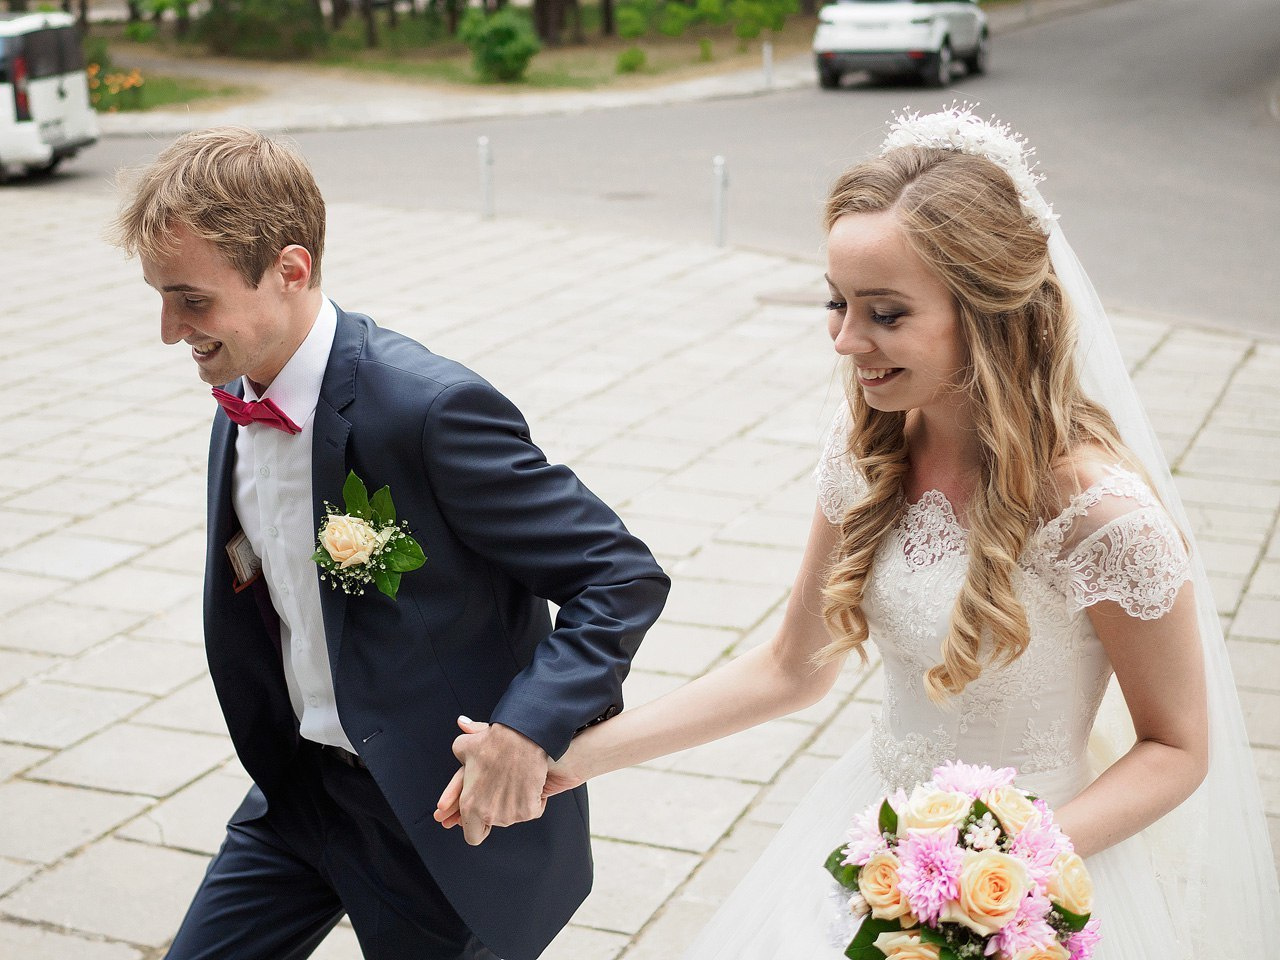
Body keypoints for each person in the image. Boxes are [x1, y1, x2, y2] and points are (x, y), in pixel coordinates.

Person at [436, 107, 1280, 957]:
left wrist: (997, 870)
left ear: (985, 310)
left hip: (1026, 878)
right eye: (836, 304)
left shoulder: (1101, 515)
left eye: (885, 313)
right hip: (871, 841)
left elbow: (1176, 748)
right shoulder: (867, 455)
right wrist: (565, 759)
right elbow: (790, 669)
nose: (846, 341)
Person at [108, 126, 670, 960]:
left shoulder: (429, 410)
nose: (168, 329)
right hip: (297, 796)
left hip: (428, 815)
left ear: (290, 270)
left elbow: (619, 575)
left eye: (191, 299)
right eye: (160, 296)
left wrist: (527, 729)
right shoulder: (240, 386)